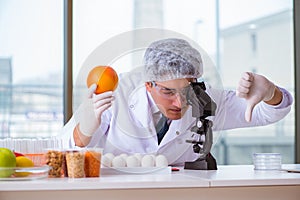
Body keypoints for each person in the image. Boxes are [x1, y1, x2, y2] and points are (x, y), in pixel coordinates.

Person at [63, 38, 293, 166]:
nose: (179, 102)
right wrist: (83, 131)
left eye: (187, 90)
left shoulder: (205, 99)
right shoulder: (115, 97)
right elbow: (63, 149)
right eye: (167, 91)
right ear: (148, 84)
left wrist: (271, 92)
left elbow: (265, 113)